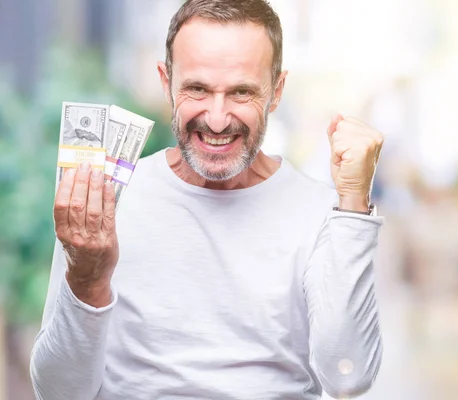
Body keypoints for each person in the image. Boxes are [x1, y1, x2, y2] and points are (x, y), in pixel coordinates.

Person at [30, 1, 385, 399]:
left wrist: (353, 204)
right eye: (197, 89)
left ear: (276, 91)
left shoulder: (319, 212)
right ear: (167, 83)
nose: (217, 119)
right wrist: (87, 278)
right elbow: (59, 393)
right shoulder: (107, 197)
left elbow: (347, 377)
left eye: (241, 92)